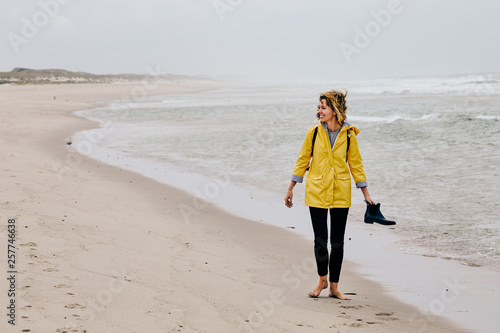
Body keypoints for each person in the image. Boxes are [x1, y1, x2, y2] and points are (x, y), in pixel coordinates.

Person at [284, 89, 375, 300]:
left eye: (323, 107)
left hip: (340, 193)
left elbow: (356, 164)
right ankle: (321, 280)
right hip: (316, 190)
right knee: (320, 240)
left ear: (335, 110)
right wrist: (291, 187)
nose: (319, 111)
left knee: (337, 242)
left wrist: (366, 194)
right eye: (319, 107)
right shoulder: (313, 133)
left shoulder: (350, 135)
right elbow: (302, 160)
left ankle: (334, 287)